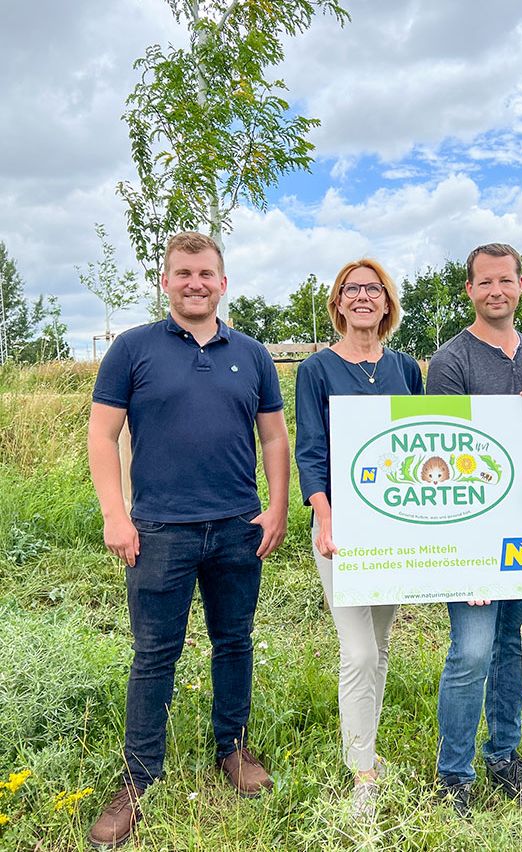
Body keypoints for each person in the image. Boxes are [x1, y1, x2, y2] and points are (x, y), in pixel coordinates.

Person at [87, 232, 290, 848]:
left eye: (206, 274)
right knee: (154, 655)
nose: (195, 283)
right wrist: (115, 515)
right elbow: (102, 436)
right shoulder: (132, 348)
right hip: (157, 530)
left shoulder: (252, 354)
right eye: (183, 273)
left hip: (237, 527)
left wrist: (277, 507)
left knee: (234, 642)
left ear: (223, 283)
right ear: (166, 282)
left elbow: (274, 438)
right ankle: (138, 777)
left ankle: (232, 748)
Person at [426, 243, 522, 818]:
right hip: (475, 527)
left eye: (505, 281)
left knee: (515, 646)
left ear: (519, 285)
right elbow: (442, 451)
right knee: (471, 651)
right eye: (484, 282)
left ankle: (504, 758)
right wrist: (468, 552)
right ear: (470, 290)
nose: (496, 291)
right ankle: (454, 775)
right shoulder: (451, 361)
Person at [294, 258, 423, 817]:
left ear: (387, 302)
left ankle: (366, 747)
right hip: (341, 528)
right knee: (360, 650)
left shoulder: (406, 369)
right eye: (352, 290)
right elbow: (311, 449)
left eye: (374, 289)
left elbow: (420, 443)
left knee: (381, 644)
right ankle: (363, 771)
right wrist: (323, 515)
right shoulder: (317, 369)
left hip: (392, 526)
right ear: (338, 303)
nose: (363, 297)